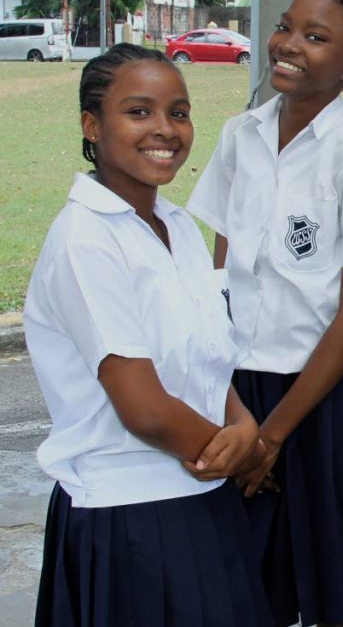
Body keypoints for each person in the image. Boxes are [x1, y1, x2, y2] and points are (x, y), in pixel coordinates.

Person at [187, 0, 343, 627]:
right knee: (246, 577)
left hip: (331, 396)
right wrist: (232, 409)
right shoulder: (240, 135)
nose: (289, 44)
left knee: (332, 586)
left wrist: (274, 437)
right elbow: (221, 274)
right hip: (245, 390)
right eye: (287, 27)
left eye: (316, 38)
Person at [26, 43, 273, 627]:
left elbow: (208, 359)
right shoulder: (85, 240)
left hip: (202, 499)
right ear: (92, 125)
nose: (165, 129)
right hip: (132, 517)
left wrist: (244, 426)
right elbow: (144, 407)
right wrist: (241, 453)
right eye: (138, 112)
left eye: (179, 112)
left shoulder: (178, 226)